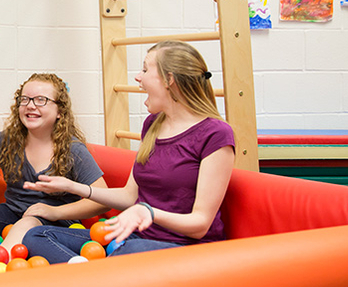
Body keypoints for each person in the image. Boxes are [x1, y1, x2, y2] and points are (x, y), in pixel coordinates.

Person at [22, 41, 235, 263]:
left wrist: (147, 213)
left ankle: (96, 279)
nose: (138, 77)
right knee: (37, 235)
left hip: (184, 249)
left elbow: (200, 224)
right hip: (135, 240)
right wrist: (74, 187)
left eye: (145, 69)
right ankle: (96, 279)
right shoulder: (153, 124)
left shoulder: (215, 133)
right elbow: (129, 196)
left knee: (128, 252)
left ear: (169, 80)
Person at [0, 73, 106, 260]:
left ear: (60, 112)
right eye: (25, 99)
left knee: (26, 224)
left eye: (41, 100)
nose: (31, 105)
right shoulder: (9, 141)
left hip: (55, 224)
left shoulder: (73, 150)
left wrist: (54, 212)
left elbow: (101, 199)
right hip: (14, 214)